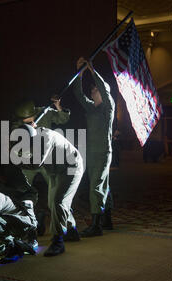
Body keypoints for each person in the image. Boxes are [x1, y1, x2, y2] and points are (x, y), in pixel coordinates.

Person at [15, 124, 84, 257]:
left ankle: (58, 242)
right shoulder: (31, 138)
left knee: (59, 201)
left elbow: (36, 163)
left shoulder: (46, 138)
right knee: (52, 203)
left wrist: (14, 159)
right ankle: (72, 230)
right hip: (55, 170)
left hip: (71, 167)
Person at [12, 97, 70, 236]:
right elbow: (16, 141)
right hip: (29, 159)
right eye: (24, 121)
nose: (28, 122)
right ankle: (29, 222)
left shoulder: (45, 112)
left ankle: (65, 222)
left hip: (46, 158)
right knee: (22, 190)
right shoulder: (17, 121)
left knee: (56, 192)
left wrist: (58, 107)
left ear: (33, 112)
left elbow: (63, 119)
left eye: (30, 119)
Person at [72, 57, 115, 236]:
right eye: (93, 89)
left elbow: (104, 90)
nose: (93, 90)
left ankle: (96, 225)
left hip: (102, 151)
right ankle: (107, 220)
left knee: (96, 186)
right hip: (91, 152)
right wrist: (79, 73)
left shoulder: (108, 107)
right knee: (102, 185)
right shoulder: (92, 108)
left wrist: (92, 70)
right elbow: (78, 94)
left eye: (95, 89)